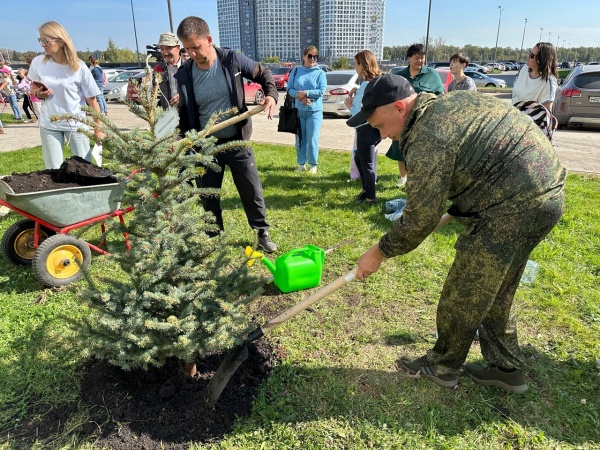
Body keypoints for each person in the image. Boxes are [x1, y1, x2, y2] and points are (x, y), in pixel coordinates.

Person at [348, 74, 565, 394]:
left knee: (466, 288)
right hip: (545, 194)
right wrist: (460, 208)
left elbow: (419, 219)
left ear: (399, 108)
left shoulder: (427, 135)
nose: (382, 135)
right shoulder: (445, 105)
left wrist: (379, 252)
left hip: (514, 204)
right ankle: (505, 369)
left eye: (380, 126)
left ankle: (442, 365)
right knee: (496, 288)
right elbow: (479, 157)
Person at [174, 16, 278, 252]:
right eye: (187, 49)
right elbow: (185, 113)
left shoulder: (231, 61)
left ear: (209, 40)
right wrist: (182, 136)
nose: (192, 54)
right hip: (206, 145)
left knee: (251, 189)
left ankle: (262, 233)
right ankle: (214, 236)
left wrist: (271, 95)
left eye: (196, 47)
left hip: (237, 141)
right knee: (208, 193)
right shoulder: (186, 74)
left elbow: (263, 73)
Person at [28, 21, 103, 169]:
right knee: (53, 171)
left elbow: (92, 101)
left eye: (46, 40)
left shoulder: (79, 67)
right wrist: (39, 93)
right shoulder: (38, 63)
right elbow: (34, 87)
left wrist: (98, 129)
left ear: (61, 41)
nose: (42, 44)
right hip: (49, 125)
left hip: (77, 125)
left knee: (84, 169)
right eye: (40, 40)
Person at [387, 43, 444, 188]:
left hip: (423, 119)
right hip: (403, 120)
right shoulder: (399, 76)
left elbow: (440, 96)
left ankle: (418, 177)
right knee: (400, 148)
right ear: (408, 58)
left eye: (422, 57)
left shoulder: (432, 75)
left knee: (420, 150)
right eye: (416, 57)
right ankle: (403, 177)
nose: (420, 60)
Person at [344, 50, 382, 206]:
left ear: (363, 65)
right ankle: (367, 190)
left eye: (356, 64)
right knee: (360, 158)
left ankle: (370, 197)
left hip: (365, 129)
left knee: (366, 163)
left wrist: (349, 104)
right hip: (375, 128)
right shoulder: (376, 82)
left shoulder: (366, 84)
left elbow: (359, 113)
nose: (355, 68)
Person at [287, 46, 327, 174]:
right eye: (310, 56)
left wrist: (306, 93)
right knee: (300, 139)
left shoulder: (320, 73)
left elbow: (321, 91)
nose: (312, 59)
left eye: (315, 56)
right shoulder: (295, 71)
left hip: (314, 112)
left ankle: (313, 165)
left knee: (312, 139)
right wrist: (299, 95)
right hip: (299, 111)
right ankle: (301, 164)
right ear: (303, 56)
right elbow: (289, 89)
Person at [512, 42, 558, 111]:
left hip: (530, 121)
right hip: (514, 118)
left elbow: (546, 110)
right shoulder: (524, 69)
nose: (528, 57)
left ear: (542, 60)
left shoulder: (548, 81)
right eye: (529, 53)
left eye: (532, 55)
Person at [154, 32, 182, 109]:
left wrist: (183, 97)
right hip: (167, 116)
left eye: (169, 48)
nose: (165, 52)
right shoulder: (157, 69)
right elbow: (154, 96)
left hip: (187, 116)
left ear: (178, 48)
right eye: (162, 49)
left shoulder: (189, 67)